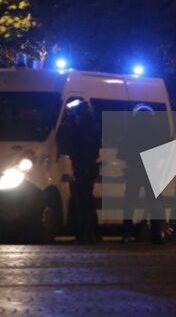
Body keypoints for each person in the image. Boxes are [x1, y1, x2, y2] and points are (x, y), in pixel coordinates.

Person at [121, 104, 166, 244]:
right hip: (152, 170)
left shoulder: (131, 130)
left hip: (135, 169)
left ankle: (128, 234)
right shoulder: (157, 131)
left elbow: (121, 152)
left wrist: (130, 158)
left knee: (129, 203)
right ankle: (157, 234)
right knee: (156, 204)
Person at [58, 99, 101, 243]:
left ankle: (87, 234)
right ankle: (89, 233)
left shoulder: (87, 125)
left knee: (84, 201)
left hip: (85, 167)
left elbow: (82, 144)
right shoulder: (88, 123)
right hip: (83, 166)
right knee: (83, 200)